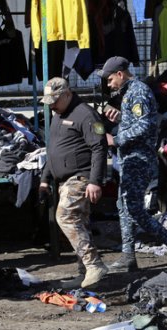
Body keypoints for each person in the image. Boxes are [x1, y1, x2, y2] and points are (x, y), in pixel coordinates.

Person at [98, 56, 167, 273]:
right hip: (130, 158)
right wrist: (120, 118)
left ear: (120, 74)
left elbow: (145, 126)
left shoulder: (138, 91)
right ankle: (128, 256)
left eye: (110, 80)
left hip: (139, 159)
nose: (109, 85)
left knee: (135, 209)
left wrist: (116, 139)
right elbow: (137, 121)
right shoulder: (130, 92)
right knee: (124, 206)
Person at [39, 77, 109, 288]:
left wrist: (95, 181)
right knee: (81, 224)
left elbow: (100, 147)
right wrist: (45, 179)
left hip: (80, 177)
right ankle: (85, 272)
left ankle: (94, 265)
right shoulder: (58, 115)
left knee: (66, 217)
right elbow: (54, 152)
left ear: (67, 94)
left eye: (55, 100)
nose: (51, 104)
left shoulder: (86, 115)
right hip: (63, 179)